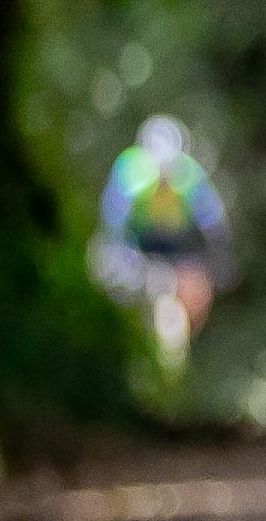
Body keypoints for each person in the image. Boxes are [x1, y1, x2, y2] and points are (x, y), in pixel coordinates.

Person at [90, 116, 234, 364]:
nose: (163, 177)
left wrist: (221, 256)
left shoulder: (188, 173)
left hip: (176, 242)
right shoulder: (130, 170)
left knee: (193, 288)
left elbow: (212, 219)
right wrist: (117, 253)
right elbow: (112, 219)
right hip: (138, 240)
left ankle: (176, 346)